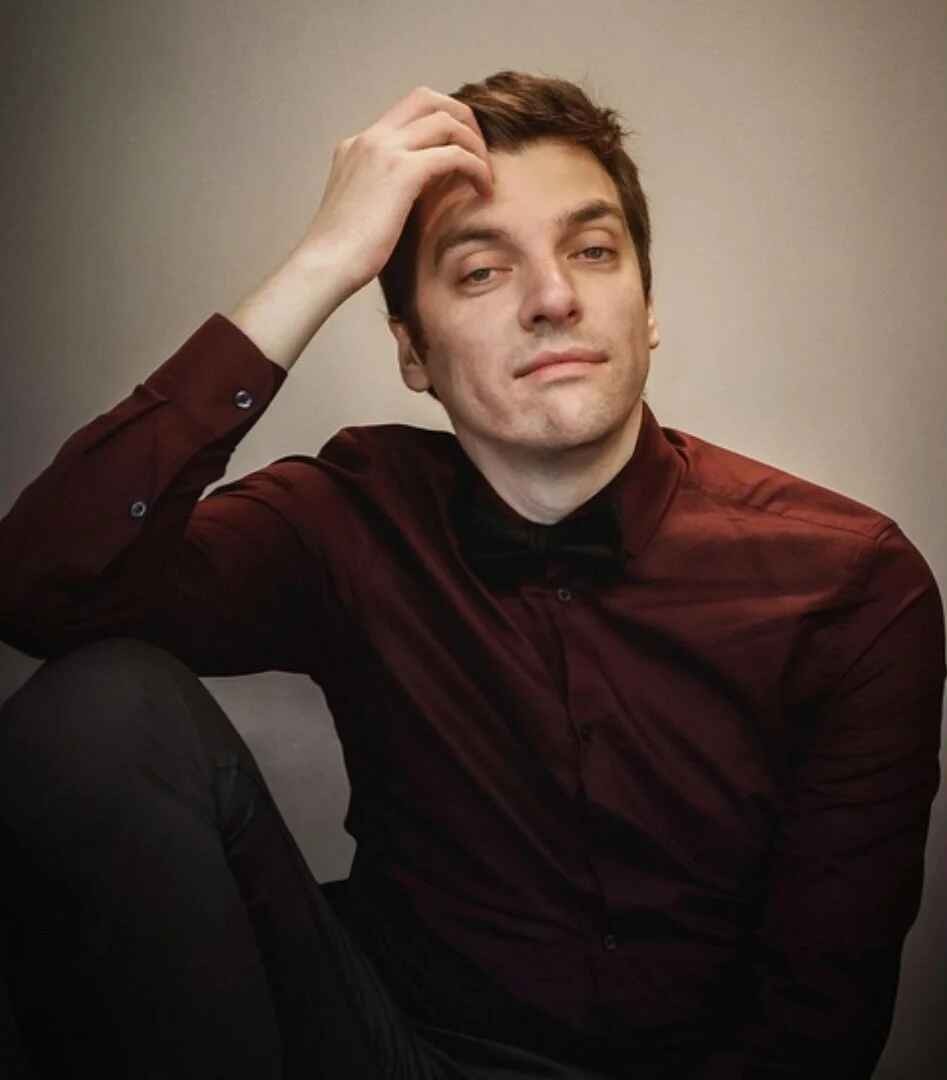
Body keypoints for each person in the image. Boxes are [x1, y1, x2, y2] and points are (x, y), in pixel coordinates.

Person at [0, 69, 943, 1080]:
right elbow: (42, 588)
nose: (554, 299)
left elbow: (815, 1028)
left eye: (592, 251)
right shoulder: (345, 516)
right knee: (104, 703)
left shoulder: (853, 584)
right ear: (411, 352)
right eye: (482, 271)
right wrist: (321, 264)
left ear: (646, 307)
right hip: (388, 1049)